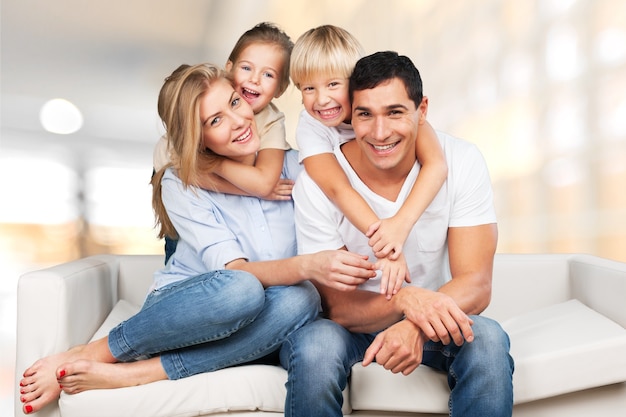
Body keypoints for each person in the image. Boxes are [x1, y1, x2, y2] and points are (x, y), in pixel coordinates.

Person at [18, 63, 378, 415]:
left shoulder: (299, 167)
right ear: (198, 137)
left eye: (235, 103)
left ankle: (142, 373)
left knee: (302, 298)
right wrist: (307, 265)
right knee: (242, 288)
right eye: (215, 121)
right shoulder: (182, 183)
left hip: (271, 319)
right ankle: (91, 353)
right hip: (192, 310)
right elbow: (238, 272)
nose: (238, 121)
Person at [280, 51, 514, 417]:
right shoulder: (316, 184)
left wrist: (415, 326)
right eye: (365, 114)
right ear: (348, 114)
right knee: (315, 346)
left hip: (434, 320)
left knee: (486, 339)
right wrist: (405, 301)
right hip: (353, 327)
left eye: (394, 112)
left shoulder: (461, 160)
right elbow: (338, 307)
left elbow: (476, 284)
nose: (380, 132)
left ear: (421, 110)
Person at [290, 25, 448, 298]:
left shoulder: (391, 107)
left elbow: (437, 165)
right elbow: (338, 188)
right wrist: (386, 246)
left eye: (333, 84)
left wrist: (400, 225)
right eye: (308, 88)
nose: (321, 99)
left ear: (354, 83)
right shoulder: (310, 127)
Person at [153, 22, 295, 262]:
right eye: (247, 68)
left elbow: (263, 183)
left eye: (268, 74)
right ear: (229, 69)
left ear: (280, 89)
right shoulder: (177, 137)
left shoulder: (270, 120)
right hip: (187, 210)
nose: (255, 80)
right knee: (181, 251)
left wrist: (211, 164)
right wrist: (213, 166)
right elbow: (180, 176)